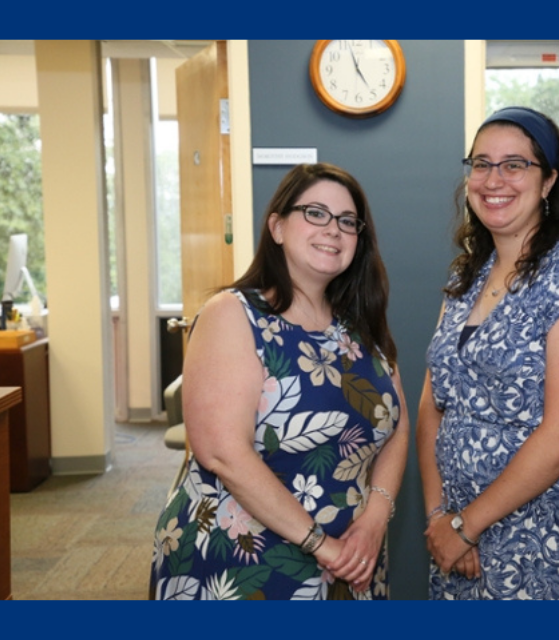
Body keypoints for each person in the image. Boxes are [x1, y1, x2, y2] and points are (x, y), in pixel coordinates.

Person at [150, 162, 409, 600]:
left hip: (353, 561)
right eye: (315, 213)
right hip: (241, 563)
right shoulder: (232, 314)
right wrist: (319, 544)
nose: (333, 229)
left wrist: (375, 517)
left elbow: (397, 426)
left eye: (348, 222)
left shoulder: (361, 326)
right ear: (277, 227)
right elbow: (222, 452)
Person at [417, 107, 559, 600]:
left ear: (549, 181)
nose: (494, 179)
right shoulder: (465, 276)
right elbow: (432, 406)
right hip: (455, 541)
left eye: (515, 164)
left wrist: (468, 524)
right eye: (481, 164)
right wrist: (439, 517)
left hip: (543, 541)